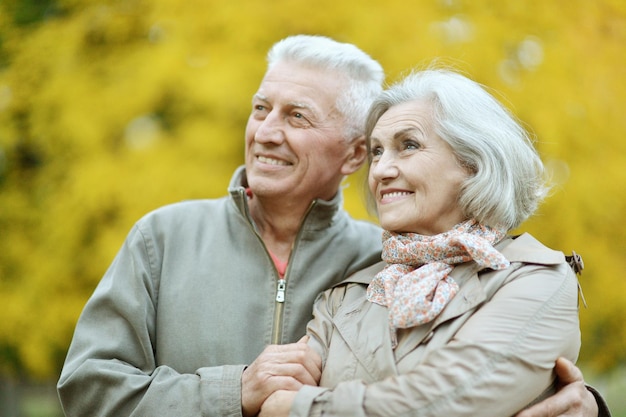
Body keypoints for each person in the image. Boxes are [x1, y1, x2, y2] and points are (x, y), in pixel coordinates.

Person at [57, 35, 607, 417]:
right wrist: (233, 393)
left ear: (350, 158)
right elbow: (86, 392)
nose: (266, 132)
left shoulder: (377, 262)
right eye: (260, 109)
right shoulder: (164, 238)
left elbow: (484, 376)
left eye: (297, 116)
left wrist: (583, 404)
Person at [258, 68, 611, 417]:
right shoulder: (347, 295)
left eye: (408, 145)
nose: (380, 170)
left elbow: (447, 402)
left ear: (472, 163)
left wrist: (298, 407)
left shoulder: (534, 278)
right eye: (377, 152)